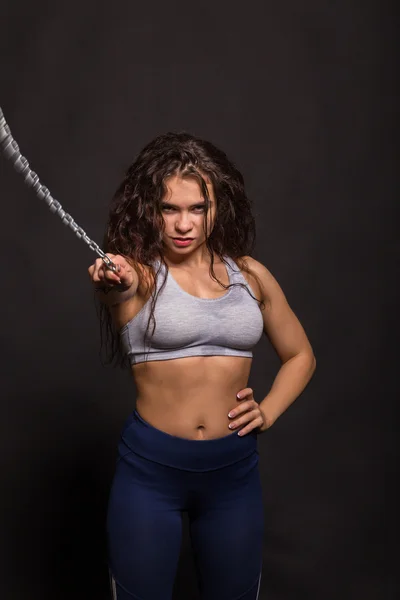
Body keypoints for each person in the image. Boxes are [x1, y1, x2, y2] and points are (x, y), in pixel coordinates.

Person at [88, 132, 316, 600]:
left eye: (198, 208)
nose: (183, 223)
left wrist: (268, 411)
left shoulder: (249, 274)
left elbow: (301, 355)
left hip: (232, 475)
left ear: (218, 207)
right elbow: (117, 291)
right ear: (151, 210)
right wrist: (113, 280)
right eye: (170, 208)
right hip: (151, 475)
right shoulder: (140, 274)